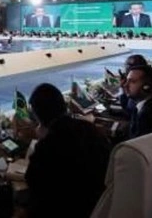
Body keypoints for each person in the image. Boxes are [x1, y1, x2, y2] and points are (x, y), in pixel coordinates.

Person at [25, 83, 111, 218]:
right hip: (100, 206)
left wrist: (43, 139)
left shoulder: (48, 146)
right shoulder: (90, 129)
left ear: (37, 117)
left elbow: (33, 182)